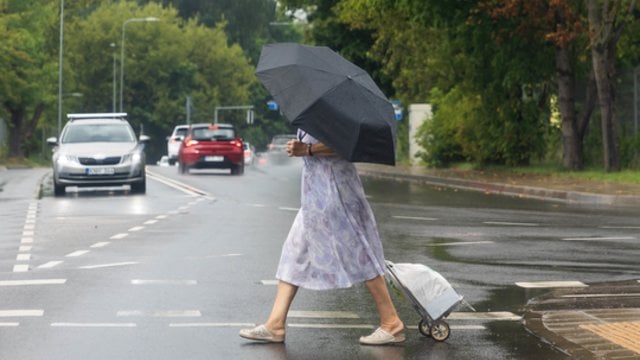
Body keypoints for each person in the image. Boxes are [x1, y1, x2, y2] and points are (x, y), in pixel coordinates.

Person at [239, 129, 404, 345]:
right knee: (294, 252)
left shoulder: (339, 109)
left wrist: (307, 149)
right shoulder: (318, 113)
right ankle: (275, 324)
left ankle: (391, 322)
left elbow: (348, 143)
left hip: (336, 193)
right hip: (315, 196)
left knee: (359, 254)